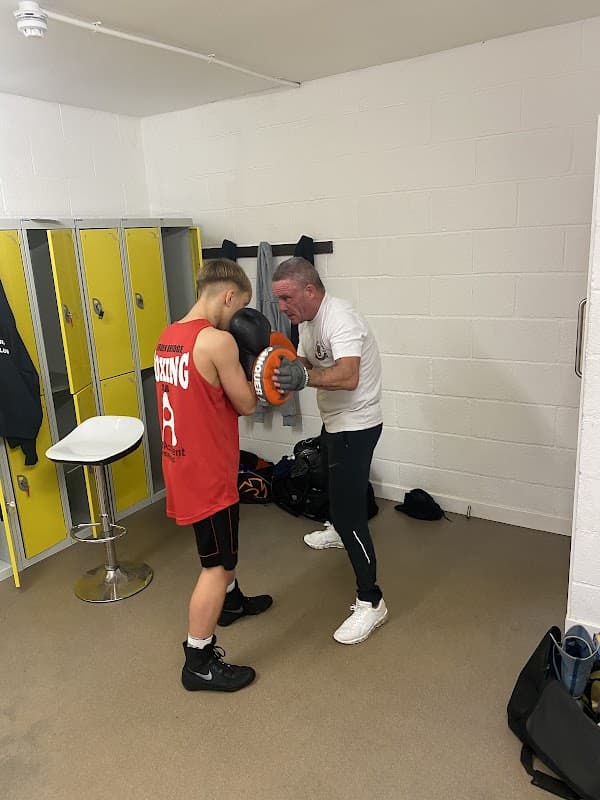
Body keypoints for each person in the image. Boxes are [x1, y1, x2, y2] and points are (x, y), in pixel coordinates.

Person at [154, 258, 272, 692]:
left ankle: (232, 603)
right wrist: (252, 361)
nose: (238, 317)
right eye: (239, 306)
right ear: (228, 296)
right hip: (208, 473)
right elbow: (247, 404)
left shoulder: (168, 337)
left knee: (221, 550)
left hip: (180, 462)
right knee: (218, 566)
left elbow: (199, 396)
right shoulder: (217, 342)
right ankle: (199, 660)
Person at [271, 257, 387, 645]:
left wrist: (303, 376)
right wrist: (281, 367)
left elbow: (348, 375)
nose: (282, 307)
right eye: (279, 300)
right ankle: (337, 530)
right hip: (335, 421)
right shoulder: (306, 322)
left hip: (357, 425)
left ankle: (371, 601)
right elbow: (306, 361)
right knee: (330, 485)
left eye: (286, 298)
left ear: (310, 290)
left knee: (351, 514)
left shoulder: (341, 317)